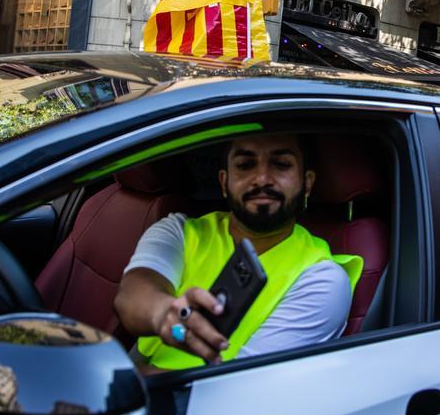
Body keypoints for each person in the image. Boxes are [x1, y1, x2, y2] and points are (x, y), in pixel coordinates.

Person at [114, 133, 363, 372]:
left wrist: (122, 384)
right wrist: (162, 313)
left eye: (281, 164)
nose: (262, 178)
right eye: (245, 165)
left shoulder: (323, 279)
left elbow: (234, 385)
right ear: (224, 182)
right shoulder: (180, 231)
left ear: (307, 183)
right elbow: (132, 294)